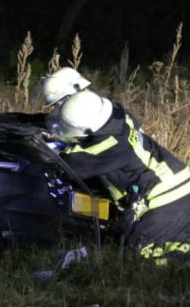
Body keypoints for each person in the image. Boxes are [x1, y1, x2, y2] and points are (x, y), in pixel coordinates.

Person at [47, 89, 190, 265]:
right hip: (176, 182)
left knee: (137, 255)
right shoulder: (117, 116)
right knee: (120, 235)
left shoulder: (112, 146)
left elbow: (71, 164)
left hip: (167, 196)